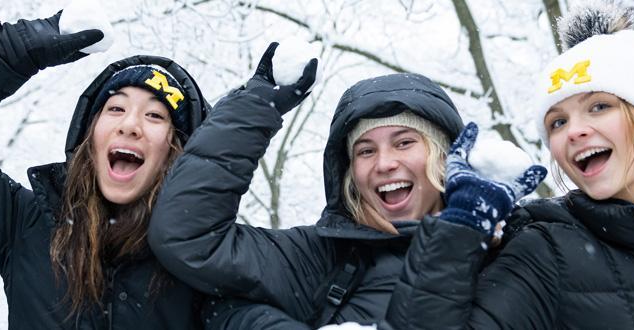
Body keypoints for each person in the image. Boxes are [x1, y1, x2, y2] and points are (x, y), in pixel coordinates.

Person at [385, 3, 634, 329]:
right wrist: (460, 227)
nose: (574, 131)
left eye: (599, 106)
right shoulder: (546, 248)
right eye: (557, 122)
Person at [147, 42, 545, 328]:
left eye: (405, 142)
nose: (385, 163)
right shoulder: (319, 256)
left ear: (444, 156)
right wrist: (255, 106)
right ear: (349, 171)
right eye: (365, 151)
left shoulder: (514, 249)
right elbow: (188, 236)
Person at [0, 11, 209, 328]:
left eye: (154, 116)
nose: (130, 124)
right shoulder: (26, 224)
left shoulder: (209, 256)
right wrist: (13, 50)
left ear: (177, 149)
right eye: (116, 108)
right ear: (88, 136)